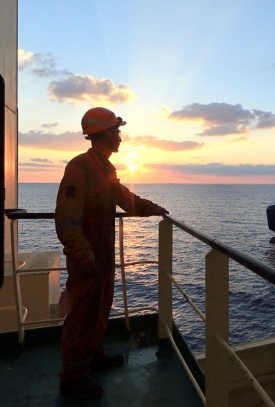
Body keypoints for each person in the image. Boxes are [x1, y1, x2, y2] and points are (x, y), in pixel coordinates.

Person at [55, 107, 167, 399]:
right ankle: (73, 377)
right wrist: (83, 254)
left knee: (100, 307)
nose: (120, 137)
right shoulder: (79, 167)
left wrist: (150, 208)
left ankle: (93, 355)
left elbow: (123, 198)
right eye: (116, 131)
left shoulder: (104, 168)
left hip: (100, 255)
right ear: (102, 134)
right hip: (87, 257)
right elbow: (66, 220)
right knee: (81, 315)